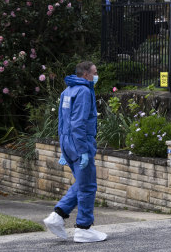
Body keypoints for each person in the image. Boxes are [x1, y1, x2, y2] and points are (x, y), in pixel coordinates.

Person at [43, 61, 107, 243]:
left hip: (68, 144)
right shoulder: (85, 92)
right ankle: (83, 229)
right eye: (94, 72)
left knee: (82, 182)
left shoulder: (67, 91)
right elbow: (79, 123)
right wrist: (83, 151)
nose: (96, 75)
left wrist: (65, 149)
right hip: (80, 145)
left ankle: (58, 215)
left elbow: (63, 122)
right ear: (86, 74)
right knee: (88, 187)